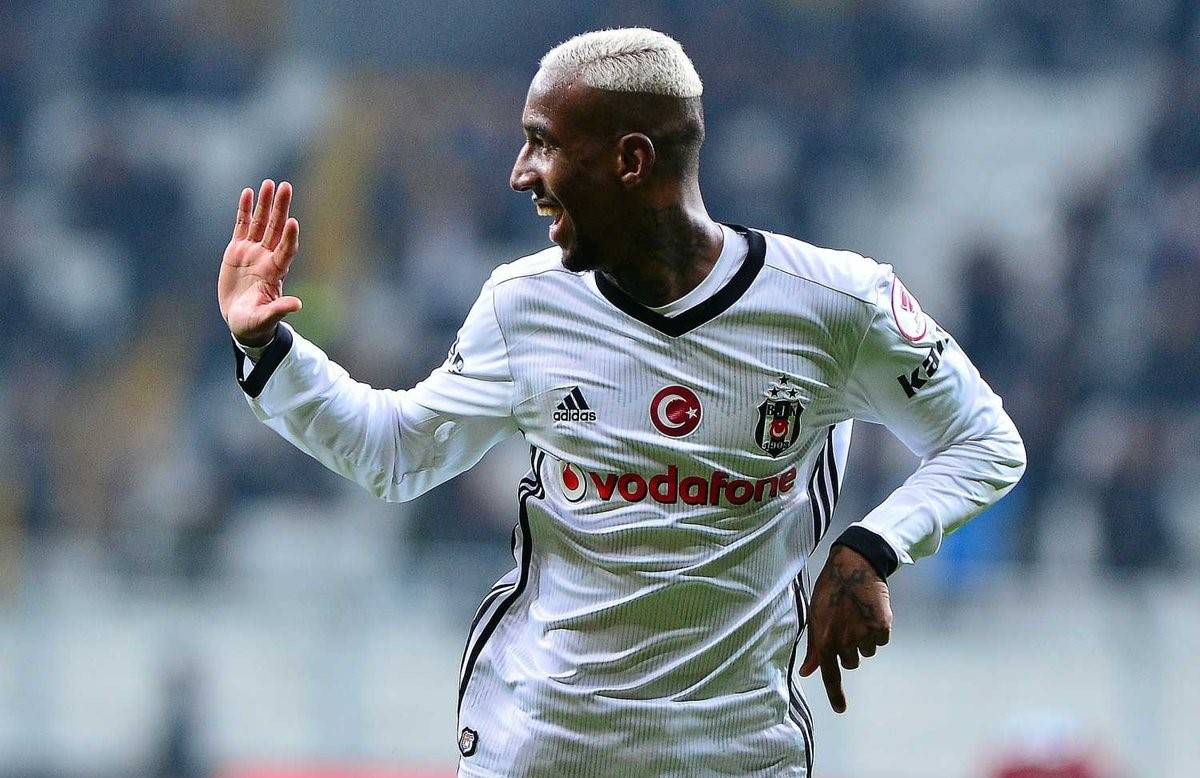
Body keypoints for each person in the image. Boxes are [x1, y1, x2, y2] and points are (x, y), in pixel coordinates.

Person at [218, 28, 1025, 778]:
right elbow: (398, 454)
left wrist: (873, 547)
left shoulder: (836, 304)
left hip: (740, 757)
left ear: (631, 160)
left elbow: (985, 441)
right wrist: (268, 349)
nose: (520, 173)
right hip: (539, 752)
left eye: (543, 142)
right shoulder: (523, 305)